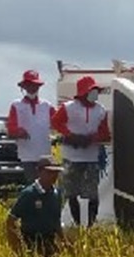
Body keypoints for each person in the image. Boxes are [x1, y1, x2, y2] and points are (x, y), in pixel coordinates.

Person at [51, 76, 111, 227]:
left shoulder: (101, 110)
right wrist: (70, 135)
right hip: (71, 157)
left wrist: (91, 139)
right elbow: (55, 122)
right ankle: (77, 224)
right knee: (71, 193)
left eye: (96, 90)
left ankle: (90, 225)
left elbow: (105, 133)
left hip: (91, 157)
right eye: (92, 90)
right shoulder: (69, 107)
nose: (95, 93)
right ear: (84, 92)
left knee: (92, 194)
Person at [5, 155, 66, 257]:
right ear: (40, 172)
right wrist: (17, 247)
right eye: (50, 172)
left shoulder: (56, 194)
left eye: (56, 172)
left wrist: (63, 240)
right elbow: (11, 220)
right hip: (31, 240)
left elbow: (56, 220)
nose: (54, 176)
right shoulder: (29, 194)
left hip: (49, 240)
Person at [5, 70, 56, 184]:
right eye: (30, 85)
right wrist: (19, 132)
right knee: (33, 186)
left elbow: (58, 123)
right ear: (24, 86)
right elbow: (11, 129)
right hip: (27, 154)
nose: (32, 87)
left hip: (44, 153)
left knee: (47, 185)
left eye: (35, 85)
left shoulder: (47, 106)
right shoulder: (16, 105)